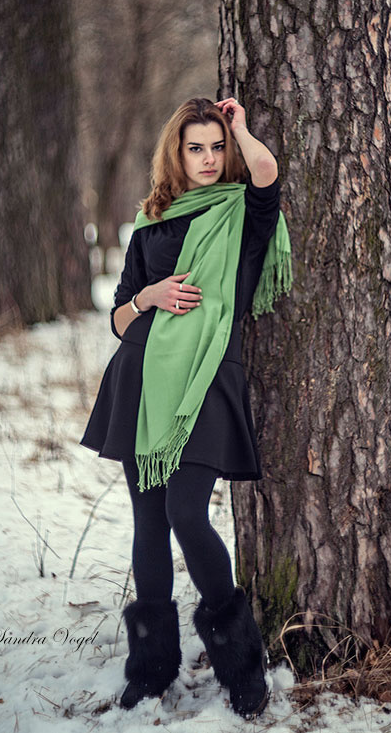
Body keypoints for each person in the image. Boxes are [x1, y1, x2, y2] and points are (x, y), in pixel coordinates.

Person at [79, 96, 293, 719]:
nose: (207, 158)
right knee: (149, 522)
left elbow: (267, 174)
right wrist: (147, 296)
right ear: (176, 152)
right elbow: (119, 318)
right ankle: (150, 670)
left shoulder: (241, 211)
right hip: (141, 379)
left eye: (216, 147)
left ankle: (241, 666)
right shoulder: (151, 222)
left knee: (185, 511)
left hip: (206, 379)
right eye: (195, 147)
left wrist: (241, 128)